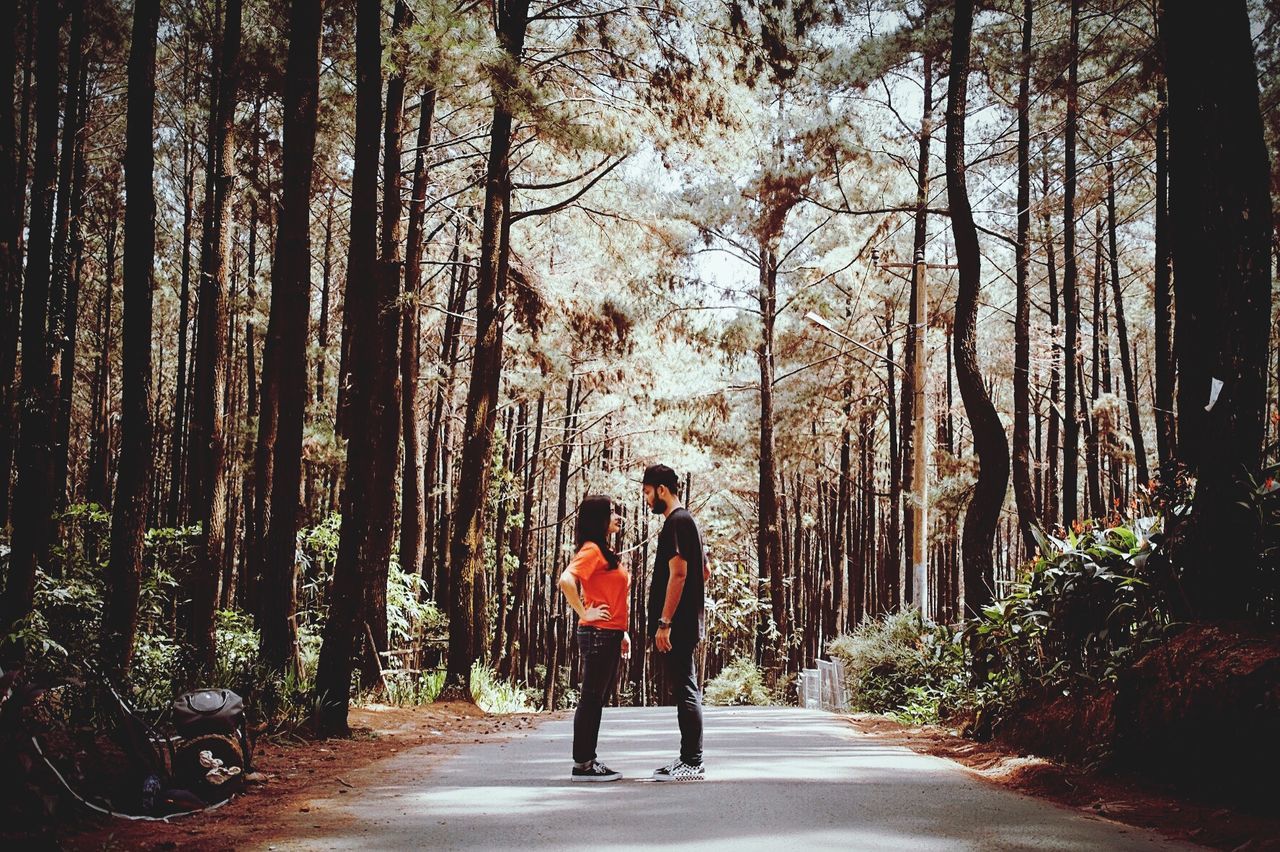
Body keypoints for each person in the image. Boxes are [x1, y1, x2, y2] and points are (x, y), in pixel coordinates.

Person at [557, 495, 631, 782]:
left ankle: (587, 761)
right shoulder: (591, 550)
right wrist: (585, 612)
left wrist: (621, 631)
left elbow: (610, 595)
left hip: (608, 634)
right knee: (591, 699)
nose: (617, 517)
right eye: (611, 512)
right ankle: (583, 764)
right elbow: (566, 580)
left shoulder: (602, 550)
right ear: (599, 519)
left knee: (594, 699)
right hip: (598, 634)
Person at [642, 463, 707, 782]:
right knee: (684, 687)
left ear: (661, 491)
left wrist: (665, 621)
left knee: (685, 688)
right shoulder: (688, 522)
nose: (647, 500)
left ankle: (693, 762)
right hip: (686, 619)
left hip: (678, 623)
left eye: (648, 493)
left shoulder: (676, 523)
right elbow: (704, 571)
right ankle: (687, 758)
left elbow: (679, 573)